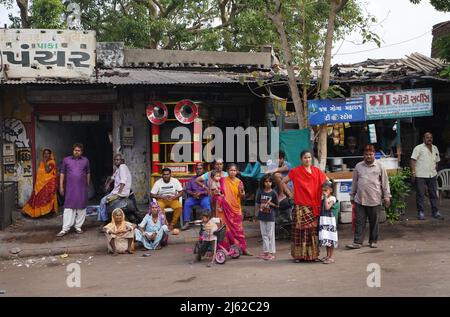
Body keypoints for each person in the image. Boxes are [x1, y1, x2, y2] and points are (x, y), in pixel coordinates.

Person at [282, 150, 326, 262]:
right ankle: (299, 256)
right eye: (305, 157)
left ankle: (312, 255)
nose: (307, 159)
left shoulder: (317, 172)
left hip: (314, 206)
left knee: (312, 231)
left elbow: (326, 184)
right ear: (301, 159)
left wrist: (327, 194)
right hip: (300, 206)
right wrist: (290, 193)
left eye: (309, 157)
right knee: (300, 231)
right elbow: (283, 181)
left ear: (312, 159)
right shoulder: (295, 171)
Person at [346, 144, 391, 249]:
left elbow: (385, 183)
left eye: (371, 154)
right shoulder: (358, 166)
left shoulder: (380, 166)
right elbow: (354, 182)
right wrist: (352, 195)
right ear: (363, 155)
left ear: (374, 154)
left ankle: (373, 241)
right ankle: (357, 242)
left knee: (374, 222)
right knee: (359, 221)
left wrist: (387, 196)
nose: (369, 156)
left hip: (374, 199)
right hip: (360, 199)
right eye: (366, 154)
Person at [215, 164, 253, 256]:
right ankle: (226, 248)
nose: (232, 172)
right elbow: (217, 192)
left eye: (234, 170)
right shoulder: (222, 180)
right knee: (225, 230)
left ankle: (243, 248)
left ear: (237, 172)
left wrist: (243, 193)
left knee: (239, 230)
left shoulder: (239, 182)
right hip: (225, 209)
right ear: (227, 171)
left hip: (236, 209)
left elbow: (242, 196)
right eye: (231, 170)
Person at [57, 143, 90, 237]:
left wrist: (86, 185)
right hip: (70, 188)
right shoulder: (66, 160)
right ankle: (65, 229)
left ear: (81, 152)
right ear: (73, 151)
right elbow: (62, 174)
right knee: (68, 207)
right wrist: (61, 186)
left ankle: (78, 227)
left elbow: (88, 173)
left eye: (79, 150)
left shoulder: (85, 160)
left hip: (82, 188)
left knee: (81, 207)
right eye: (75, 150)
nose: (77, 152)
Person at [410, 132, 443, 220]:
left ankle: (435, 212)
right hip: (420, 174)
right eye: (427, 137)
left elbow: (437, 161)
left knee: (433, 194)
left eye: (431, 137)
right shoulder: (418, 148)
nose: (429, 139)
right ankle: (420, 212)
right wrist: (413, 172)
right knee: (420, 194)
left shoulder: (435, 148)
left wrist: (435, 169)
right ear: (423, 139)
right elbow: (413, 160)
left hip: (432, 174)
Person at [23, 148, 58, 218]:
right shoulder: (42, 162)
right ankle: (39, 213)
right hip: (40, 184)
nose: (46, 155)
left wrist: (45, 161)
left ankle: (48, 213)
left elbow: (47, 171)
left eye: (48, 153)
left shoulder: (52, 162)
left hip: (49, 183)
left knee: (48, 198)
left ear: (50, 154)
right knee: (39, 198)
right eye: (45, 153)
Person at [98, 154, 132, 223]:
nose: (116, 161)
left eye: (118, 160)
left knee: (102, 201)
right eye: (115, 160)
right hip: (117, 192)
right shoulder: (118, 169)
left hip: (120, 193)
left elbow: (123, 182)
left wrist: (118, 194)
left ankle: (104, 220)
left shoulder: (122, 167)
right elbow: (113, 177)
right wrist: (108, 183)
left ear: (122, 161)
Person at [181, 163, 211, 231]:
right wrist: (193, 193)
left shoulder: (206, 179)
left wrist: (201, 193)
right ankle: (187, 222)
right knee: (187, 202)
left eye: (200, 169)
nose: (199, 170)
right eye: (197, 169)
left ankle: (207, 222)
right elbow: (187, 189)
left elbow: (209, 190)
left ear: (203, 170)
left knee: (205, 203)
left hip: (204, 197)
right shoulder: (192, 179)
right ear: (195, 170)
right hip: (194, 198)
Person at [256, 174, 279, 261]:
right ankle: (266, 252)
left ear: (272, 183)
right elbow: (258, 203)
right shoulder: (260, 191)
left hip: (270, 216)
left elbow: (277, 205)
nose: (268, 183)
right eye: (266, 181)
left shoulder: (273, 193)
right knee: (264, 234)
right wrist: (261, 206)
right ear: (263, 182)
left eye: (270, 181)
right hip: (262, 215)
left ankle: (271, 252)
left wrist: (271, 204)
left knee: (270, 235)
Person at [319, 181, 338, 264]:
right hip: (324, 220)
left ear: (330, 190)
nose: (324, 192)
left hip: (330, 221)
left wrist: (326, 197)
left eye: (325, 190)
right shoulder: (323, 198)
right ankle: (327, 255)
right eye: (323, 190)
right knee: (326, 238)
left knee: (331, 238)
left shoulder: (332, 198)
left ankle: (331, 257)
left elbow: (327, 207)